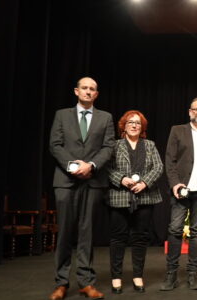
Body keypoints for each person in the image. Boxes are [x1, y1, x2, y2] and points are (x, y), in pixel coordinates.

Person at [48, 77, 115, 300]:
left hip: (93, 181)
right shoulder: (62, 115)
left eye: (92, 89)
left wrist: (91, 166)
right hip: (66, 182)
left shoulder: (105, 118)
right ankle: (61, 282)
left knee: (87, 234)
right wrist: (72, 165)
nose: (88, 92)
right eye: (84, 88)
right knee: (65, 231)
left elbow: (108, 147)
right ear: (76, 91)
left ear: (96, 94)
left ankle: (86, 282)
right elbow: (55, 145)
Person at [161, 97, 197, 291]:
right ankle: (171, 275)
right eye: (196, 109)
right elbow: (169, 161)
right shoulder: (177, 130)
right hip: (180, 190)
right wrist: (174, 184)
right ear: (189, 112)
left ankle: (192, 275)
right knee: (175, 229)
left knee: (196, 232)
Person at [107, 110, 163, 294]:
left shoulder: (150, 145)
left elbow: (159, 167)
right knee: (118, 238)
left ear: (142, 127)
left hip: (145, 196)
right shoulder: (114, 146)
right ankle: (116, 277)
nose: (134, 125)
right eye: (130, 122)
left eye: (138, 123)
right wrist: (121, 179)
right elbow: (107, 168)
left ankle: (138, 275)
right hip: (120, 196)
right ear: (123, 125)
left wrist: (145, 183)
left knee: (140, 238)